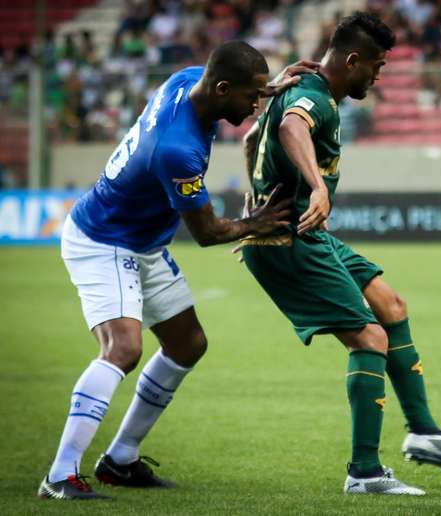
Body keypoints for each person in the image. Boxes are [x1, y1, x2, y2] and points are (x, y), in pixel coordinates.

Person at [38, 41, 314, 500]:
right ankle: (60, 474)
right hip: (104, 239)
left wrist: (270, 87)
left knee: (188, 343)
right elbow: (206, 233)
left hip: (141, 240)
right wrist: (254, 223)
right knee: (123, 349)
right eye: (252, 95)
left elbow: (229, 82)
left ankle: (120, 460)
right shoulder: (177, 149)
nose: (254, 104)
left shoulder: (188, 79)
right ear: (223, 88)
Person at [238, 12, 441, 496]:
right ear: (352, 60)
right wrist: (315, 188)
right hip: (287, 240)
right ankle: (364, 473)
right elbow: (290, 128)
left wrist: (254, 192)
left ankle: (425, 433)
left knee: (391, 306)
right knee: (370, 338)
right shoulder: (315, 98)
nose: (378, 75)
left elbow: (249, 139)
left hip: (299, 232)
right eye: (376, 65)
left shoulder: (299, 85)